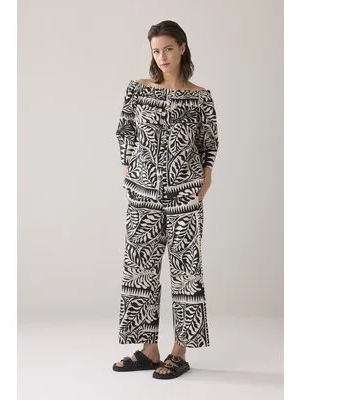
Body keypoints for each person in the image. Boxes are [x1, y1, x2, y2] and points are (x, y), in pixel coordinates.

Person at [112, 20, 219, 379]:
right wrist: (128, 164)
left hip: (185, 195)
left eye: (168, 49)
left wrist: (206, 175)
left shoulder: (201, 96)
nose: (162, 56)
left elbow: (208, 142)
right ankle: (148, 350)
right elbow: (125, 129)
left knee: (186, 271)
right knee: (140, 268)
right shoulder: (137, 89)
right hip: (142, 194)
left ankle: (179, 351)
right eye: (156, 51)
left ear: (182, 48)